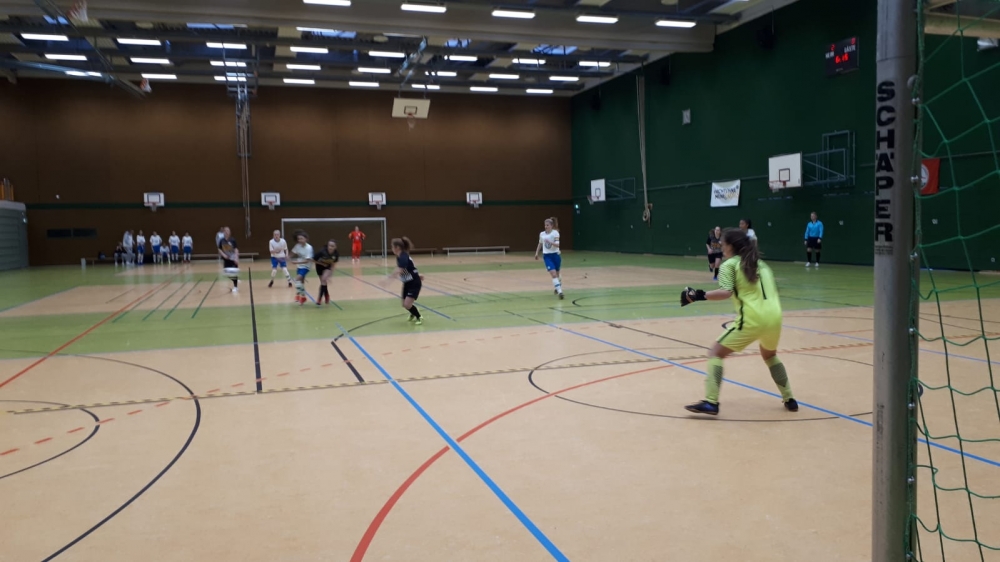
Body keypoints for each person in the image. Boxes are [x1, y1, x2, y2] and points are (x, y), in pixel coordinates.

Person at [680, 228, 797, 416]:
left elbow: (725, 292)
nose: (721, 247)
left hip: (752, 318)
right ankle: (789, 398)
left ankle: (711, 401)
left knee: (716, 353)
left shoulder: (729, 265)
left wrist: (698, 295)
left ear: (731, 246)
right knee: (769, 355)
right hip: (775, 318)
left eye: (723, 244)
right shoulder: (763, 265)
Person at [391, 237, 424, 325]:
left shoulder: (403, 256)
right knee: (404, 304)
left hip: (414, 283)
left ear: (397, 247)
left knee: (407, 304)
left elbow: (400, 269)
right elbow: (411, 267)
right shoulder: (399, 257)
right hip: (407, 282)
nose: (392, 249)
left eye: (392, 247)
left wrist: (389, 278)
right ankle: (412, 313)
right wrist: (417, 274)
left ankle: (419, 316)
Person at [534, 217, 564, 299]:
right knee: (553, 274)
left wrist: (550, 242)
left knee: (557, 274)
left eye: (547, 225)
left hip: (556, 255)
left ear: (551, 226)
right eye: (545, 225)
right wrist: (537, 253)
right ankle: (560, 292)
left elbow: (557, 245)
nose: (546, 226)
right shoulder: (542, 234)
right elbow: (540, 243)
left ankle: (558, 285)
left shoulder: (555, 233)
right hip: (547, 256)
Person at [313, 239, 340, 306]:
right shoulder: (321, 252)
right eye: (329, 245)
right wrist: (322, 264)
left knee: (324, 279)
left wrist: (330, 275)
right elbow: (313, 260)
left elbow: (333, 264)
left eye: (332, 246)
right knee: (323, 282)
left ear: (335, 247)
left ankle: (319, 299)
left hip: (327, 267)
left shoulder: (336, 254)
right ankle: (327, 295)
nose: (330, 247)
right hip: (319, 267)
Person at [290, 231, 314, 305]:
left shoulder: (309, 248)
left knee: (297, 279)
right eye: (298, 239)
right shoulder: (297, 246)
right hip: (299, 266)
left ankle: (298, 294)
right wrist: (287, 257)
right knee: (301, 281)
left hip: (306, 266)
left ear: (306, 239)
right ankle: (303, 297)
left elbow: (307, 261)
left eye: (301, 238)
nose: (300, 240)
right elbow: (292, 253)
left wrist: (296, 262)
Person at [218, 226, 240, 293]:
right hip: (226, 259)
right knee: (226, 273)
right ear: (223, 232)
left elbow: (236, 249)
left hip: (233, 259)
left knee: (234, 273)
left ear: (230, 232)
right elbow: (219, 249)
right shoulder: (221, 240)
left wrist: (236, 258)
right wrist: (223, 255)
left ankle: (235, 287)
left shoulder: (232, 240)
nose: (227, 232)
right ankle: (235, 280)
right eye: (225, 231)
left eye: (228, 231)